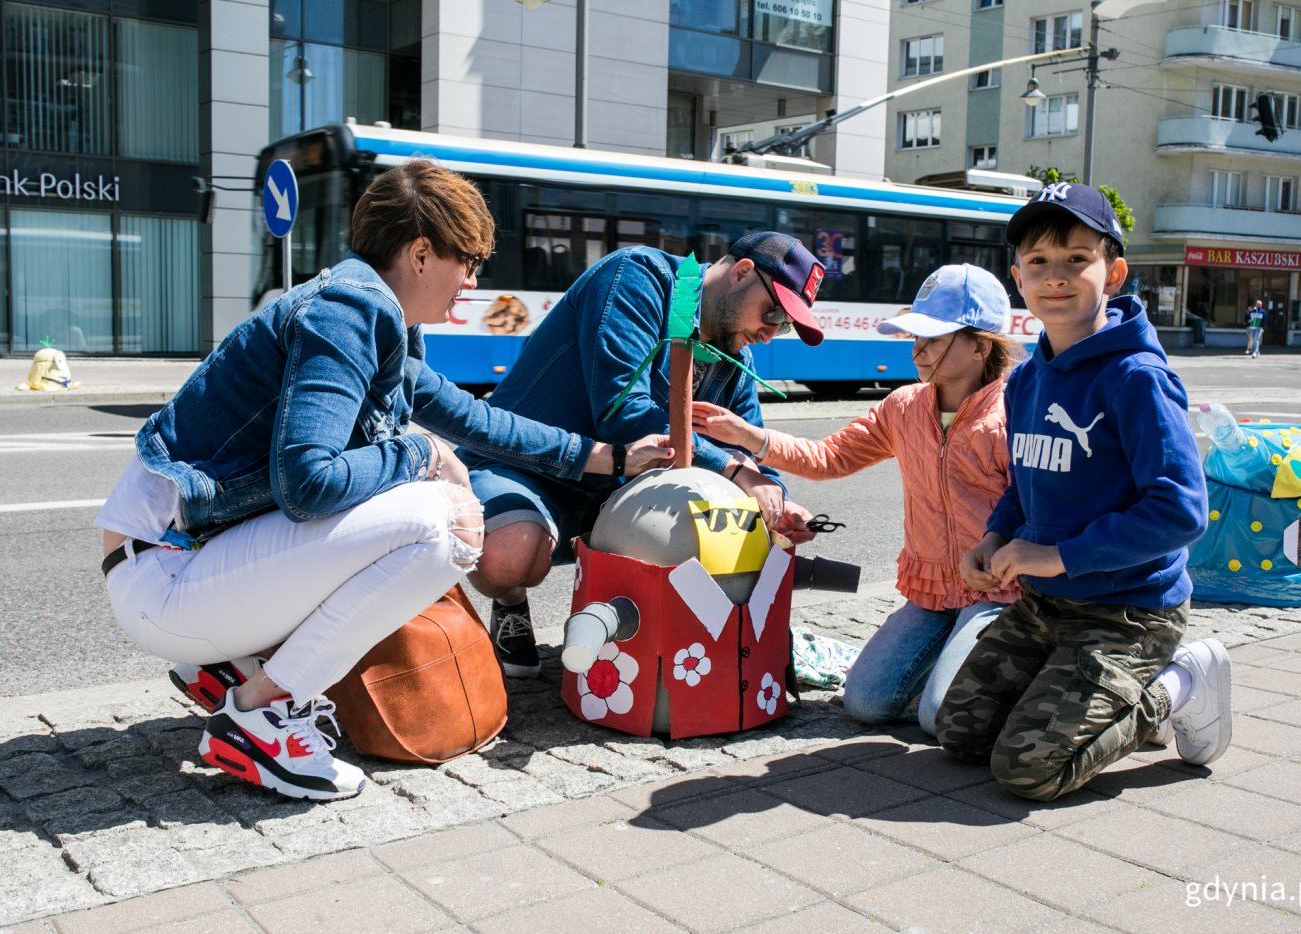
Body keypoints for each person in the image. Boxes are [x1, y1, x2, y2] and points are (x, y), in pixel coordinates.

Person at [95, 160, 672, 801]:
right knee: (445, 521)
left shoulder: (375, 316)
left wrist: (611, 458)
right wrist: (419, 451)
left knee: (422, 495)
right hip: (166, 578)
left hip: (178, 562)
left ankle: (232, 665)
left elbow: (479, 420)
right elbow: (308, 481)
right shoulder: (349, 312)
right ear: (422, 253)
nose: (474, 281)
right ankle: (259, 713)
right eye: (468, 260)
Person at [937, 183, 1232, 802]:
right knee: (959, 735)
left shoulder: (1138, 379)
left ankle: (1181, 681)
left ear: (1114, 272)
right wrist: (992, 539)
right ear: (1017, 277)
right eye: (1039, 262)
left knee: (1027, 769)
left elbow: (1181, 509)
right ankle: (1091, 698)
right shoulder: (1026, 381)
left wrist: (1058, 557)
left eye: (1078, 258)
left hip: (1129, 612)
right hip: (1046, 606)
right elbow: (1026, 484)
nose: (1057, 276)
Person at [463, 232, 825, 677]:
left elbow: (751, 454)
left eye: (784, 325)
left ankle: (649, 642)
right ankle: (511, 600)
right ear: (742, 272)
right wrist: (736, 470)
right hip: (531, 469)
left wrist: (779, 501)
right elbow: (625, 413)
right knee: (509, 557)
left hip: (618, 494)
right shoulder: (637, 277)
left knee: (733, 522)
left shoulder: (735, 357)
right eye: (773, 312)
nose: (770, 334)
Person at [692, 264, 1023, 735]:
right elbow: (830, 457)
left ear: (980, 346)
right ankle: (958, 657)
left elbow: (1039, 508)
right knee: (865, 702)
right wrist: (749, 436)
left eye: (933, 338)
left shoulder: (1014, 413)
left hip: (998, 590)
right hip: (933, 594)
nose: (917, 350)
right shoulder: (903, 407)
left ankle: (1012, 661)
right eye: (914, 336)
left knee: (940, 719)